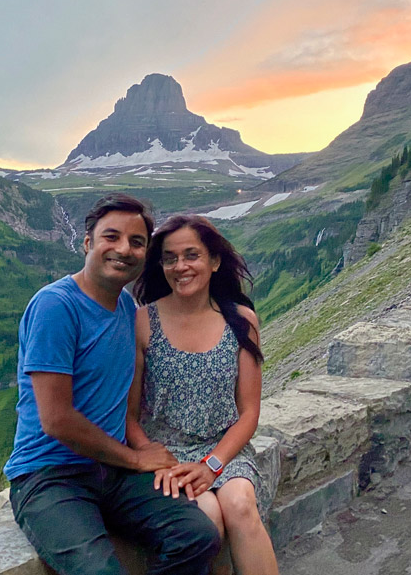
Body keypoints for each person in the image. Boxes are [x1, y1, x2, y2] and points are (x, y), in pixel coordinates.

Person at [3, 194, 221, 575]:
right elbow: (56, 419)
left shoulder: (125, 309)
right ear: (87, 243)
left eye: (137, 242)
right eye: (111, 237)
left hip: (110, 472)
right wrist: (138, 459)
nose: (124, 249)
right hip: (49, 475)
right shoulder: (56, 306)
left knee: (197, 535)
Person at [128, 215, 279, 575]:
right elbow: (129, 414)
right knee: (207, 517)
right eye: (170, 257)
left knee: (240, 504)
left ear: (214, 261)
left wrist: (213, 464)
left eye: (191, 255)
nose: (180, 266)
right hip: (167, 457)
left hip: (223, 449)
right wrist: (152, 456)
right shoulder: (142, 321)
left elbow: (249, 412)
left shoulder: (241, 321)